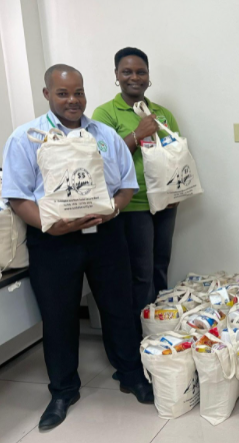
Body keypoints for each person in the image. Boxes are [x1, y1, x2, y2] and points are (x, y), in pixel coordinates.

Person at [1, 64, 154, 431]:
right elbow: (18, 196)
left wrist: (112, 209)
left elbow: (127, 186)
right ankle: (63, 390)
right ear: (47, 94)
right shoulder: (26, 138)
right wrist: (50, 226)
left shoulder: (105, 135)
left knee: (119, 308)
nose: (73, 100)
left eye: (79, 92)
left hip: (106, 235)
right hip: (53, 241)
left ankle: (131, 374)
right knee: (59, 317)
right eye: (63, 93)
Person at [92, 47, 180, 335]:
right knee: (140, 274)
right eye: (127, 72)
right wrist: (137, 134)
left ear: (148, 76)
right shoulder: (104, 113)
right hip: (132, 205)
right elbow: (102, 159)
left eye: (141, 72)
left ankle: (161, 329)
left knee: (160, 266)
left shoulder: (162, 113)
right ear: (116, 76)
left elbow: (176, 156)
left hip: (164, 203)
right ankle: (141, 336)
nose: (134, 77)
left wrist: (175, 194)